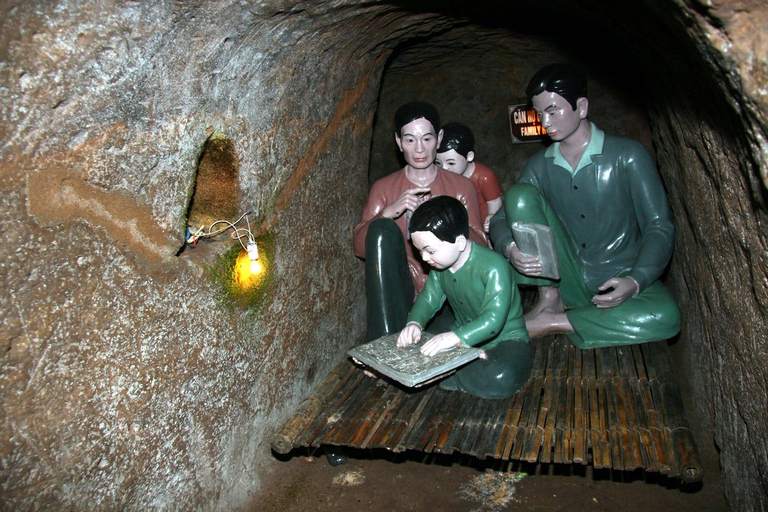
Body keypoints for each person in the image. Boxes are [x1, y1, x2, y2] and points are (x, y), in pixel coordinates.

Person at [489, 63, 681, 349]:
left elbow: (659, 226)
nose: (546, 121)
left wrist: (636, 279)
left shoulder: (627, 156)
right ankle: (550, 300)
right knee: (519, 194)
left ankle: (555, 322)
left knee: (666, 316)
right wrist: (510, 247)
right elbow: (499, 220)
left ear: (581, 107)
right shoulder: (540, 165)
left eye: (553, 110)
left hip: (619, 276)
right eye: (540, 113)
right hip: (566, 277)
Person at [354, 101, 487, 342]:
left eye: (427, 139)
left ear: (439, 138)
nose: (419, 149)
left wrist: (445, 215)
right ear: (398, 141)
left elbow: (481, 246)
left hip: (449, 283)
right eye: (410, 140)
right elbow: (361, 247)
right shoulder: (384, 188)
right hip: (404, 284)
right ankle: (383, 340)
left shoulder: (461, 186)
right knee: (381, 229)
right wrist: (386, 213)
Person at [396, 196, 531, 399]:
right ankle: (454, 365)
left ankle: (446, 371)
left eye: (430, 250)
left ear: (459, 242)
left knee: (502, 376)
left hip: (504, 339)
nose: (424, 258)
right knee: (420, 343)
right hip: (460, 327)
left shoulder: (494, 267)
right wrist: (414, 322)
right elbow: (429, 299)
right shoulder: (440, 267)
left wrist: (456, 338)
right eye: (419, 251)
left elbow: (494, 320)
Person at [436, 122, 503, 233]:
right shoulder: (441, 177)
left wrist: (492, 217)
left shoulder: (484, 176)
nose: (444, 168)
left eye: (451, 163)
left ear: (469, 156)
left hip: (481, 227)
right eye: (438, 163)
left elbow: (495, 203)